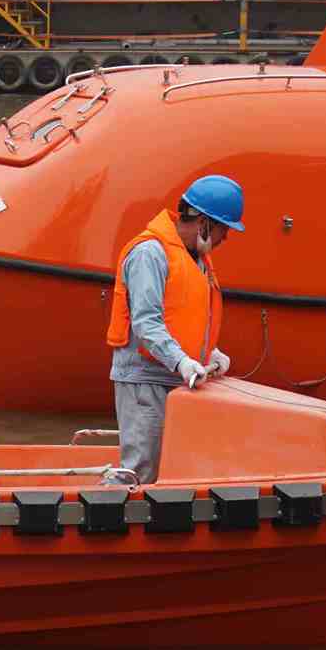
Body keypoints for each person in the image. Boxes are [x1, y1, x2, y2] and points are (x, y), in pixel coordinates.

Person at [104, 173, 243, 485]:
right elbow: (146, 322)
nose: (226, 238)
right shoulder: (149, 254)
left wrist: (209, 353)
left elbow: (183, 316)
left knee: (170, 470)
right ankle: (104, 508)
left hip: (176, 379)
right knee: (139, 472)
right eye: (224, 229)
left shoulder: (197, 260)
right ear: (204, 223)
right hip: (144, 381)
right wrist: (181, 361)